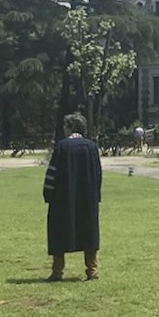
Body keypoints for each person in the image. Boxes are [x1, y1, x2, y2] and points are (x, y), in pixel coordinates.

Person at [43, 112, 102, 281]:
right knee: (89, 233)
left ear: (71, 127)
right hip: (87, 199)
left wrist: (48, 194)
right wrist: (96, 195)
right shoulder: (91, 147)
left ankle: (57, 271)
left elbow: (52, 174)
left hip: (63, 199)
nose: (63, 129)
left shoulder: (62, 147)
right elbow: (98, 174)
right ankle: (92, 270)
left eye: (65, 126)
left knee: (58, 233)